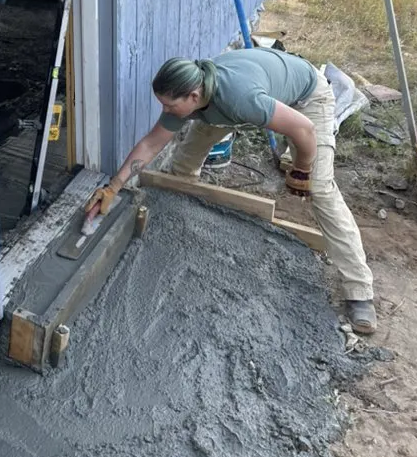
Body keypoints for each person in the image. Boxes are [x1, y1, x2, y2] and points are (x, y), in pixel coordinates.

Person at [86, 47, 376, 334]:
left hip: (307, 98)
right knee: (183, 161)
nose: (165, 112)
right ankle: (178, 209)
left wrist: (301, 169)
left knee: (321, 188)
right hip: (234, 99)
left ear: (194, 96)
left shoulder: (239, 99)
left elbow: (305, 130)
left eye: (170, 106)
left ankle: (360, 289)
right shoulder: (194, 94)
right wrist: (114, 186)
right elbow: (151, 144)